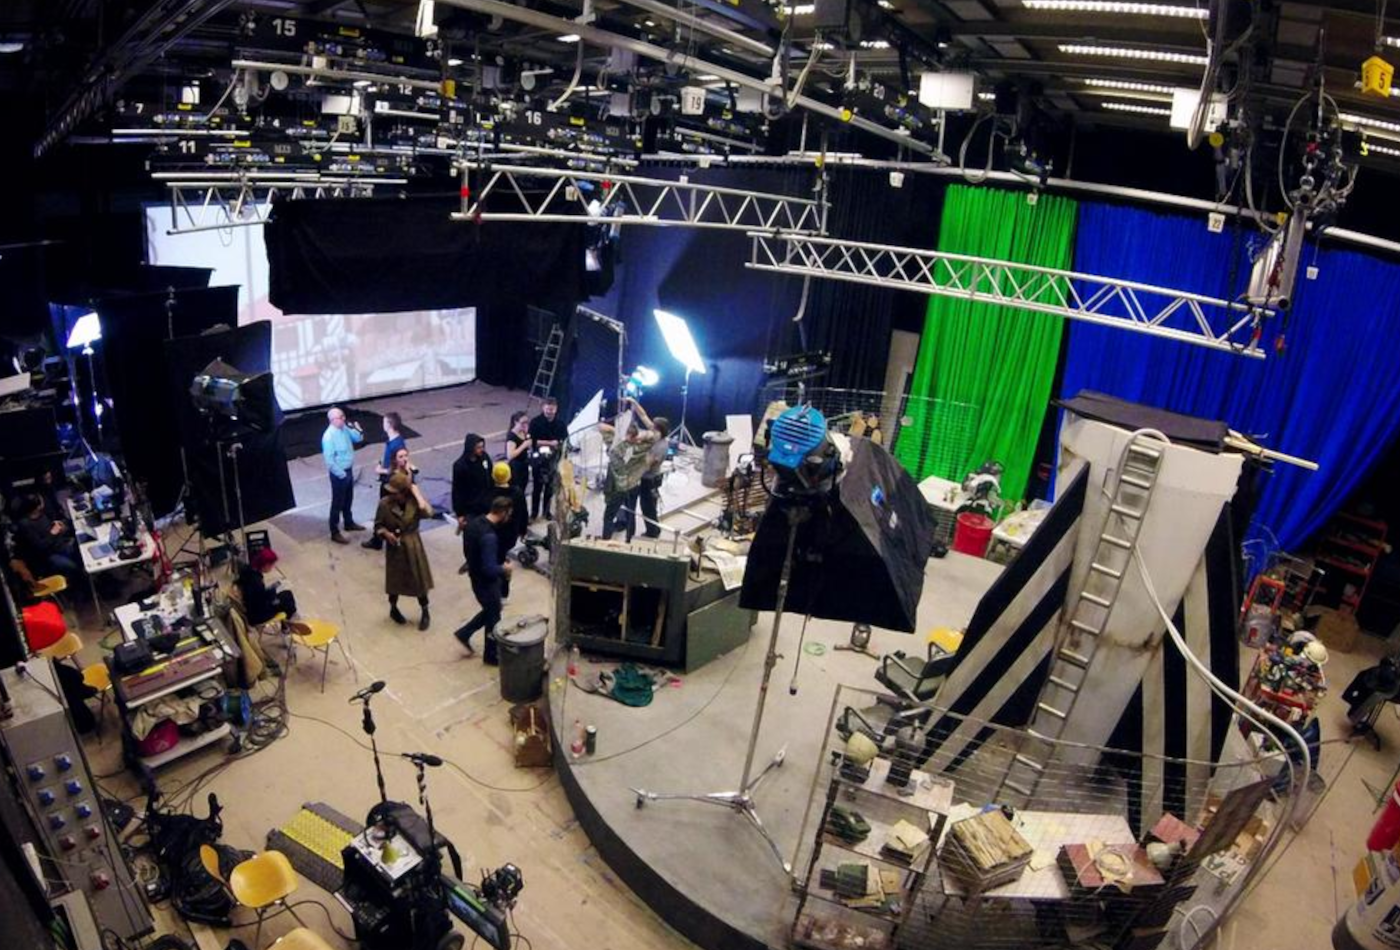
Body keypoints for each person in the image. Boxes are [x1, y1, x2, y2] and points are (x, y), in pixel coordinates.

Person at [455, 496, 514, 664]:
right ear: (503, 512)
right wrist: (505, 568)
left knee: (491, 609)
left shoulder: (474, 524)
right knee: (494, 617)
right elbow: (489, 568)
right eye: (508, 514)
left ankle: (464, 633)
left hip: (474, 575)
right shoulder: (489, 537)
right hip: (486, 582)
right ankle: (491, 655)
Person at [373, 471, 435, 630]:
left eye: (396, 492)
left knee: (419, 580)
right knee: (395, 581)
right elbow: (378, 526)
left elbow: (428, 513)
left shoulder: (414, 503)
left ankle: (425, 610)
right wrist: (386, 534)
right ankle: (393, 608)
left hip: (413, 544)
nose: (391, 494)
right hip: (396, 547)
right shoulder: (384, 504)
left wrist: (418, 494)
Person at [599, 399, 659, 543]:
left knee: (609, 515)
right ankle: (628, 541)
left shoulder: (614, 447)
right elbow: (652, 433)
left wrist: (617, 432)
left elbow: (601, 426)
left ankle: (605, 541)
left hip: (617, 487)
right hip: (633, 485)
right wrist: (638, 437)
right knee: (630, 514)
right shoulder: (641, 447)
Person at [322, 406, 366, 544]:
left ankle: (349, 522)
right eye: (341, 417)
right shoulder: (328, 437)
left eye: (344, 416)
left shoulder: (344, 429)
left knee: (348, 499)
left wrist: (357, 429)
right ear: (333, 420)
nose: (344, 419)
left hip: (349, 470)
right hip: (339, 474)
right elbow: (329, 462)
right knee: (337, 502)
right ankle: (334, 531)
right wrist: (342, 475)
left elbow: (358, 439)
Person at [362, 442, 418, 550]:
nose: (404, 459)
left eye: (406, 456)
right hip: (391, 503)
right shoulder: (392, 474)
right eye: (401, 457)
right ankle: (377, 540)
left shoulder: (408, 471)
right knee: (384, 520)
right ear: (395, 459)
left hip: (403, 505)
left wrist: (409, 472)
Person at [11, 493, 80, 578]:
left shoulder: (41, 514)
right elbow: (40, 546)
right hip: (47, 556)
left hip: (58, 545)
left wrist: (57, 526)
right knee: (73, 567)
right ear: (38, 506)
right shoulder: (25, 525)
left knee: (80, 550)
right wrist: (53, 533)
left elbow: (48, 529)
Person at [452, 433, 493, 571]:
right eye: (478, 447)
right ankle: (470, 560)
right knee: (470, 537)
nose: (481, 450)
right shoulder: (460, 466)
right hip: (470, 508)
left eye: (482, 447)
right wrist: (460, 513)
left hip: (486, 504)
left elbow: (491, 478)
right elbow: (457, 491)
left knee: (487, 534)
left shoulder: (485, 458)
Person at [527, 398, 568, 520]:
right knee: (537, 488)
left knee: (549, 489)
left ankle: (546, 511)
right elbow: (531, 441)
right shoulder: (535, 422)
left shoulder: (560, 424)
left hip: (553, 460)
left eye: (552, 409)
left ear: (556, 409)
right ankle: (534, 513)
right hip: (539, 460)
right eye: (548, 408)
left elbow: (564, 441)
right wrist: (550, 443)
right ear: (543, 408)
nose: (550, 411)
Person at [489, 461, 529, 587]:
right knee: (502, 558)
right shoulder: (517, 493)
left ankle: (496, 584)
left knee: (495, 558)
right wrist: (523, 530)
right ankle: (504, 590)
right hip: (510, 534)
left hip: (493, 533)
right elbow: (523, 512)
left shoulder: (489, 493)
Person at [236, 547, 296, 625]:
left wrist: (271, 590)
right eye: (271, 565)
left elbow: (257, 594)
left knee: (286, 594)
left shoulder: (248, 570)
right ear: (266, 565)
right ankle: (288, 624)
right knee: (288, 600)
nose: (272, 568)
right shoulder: (256, 580)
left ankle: (287, 622)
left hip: (252, 607)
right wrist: (273, 593)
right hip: (258, 614)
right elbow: (262, 601)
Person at [637, 415, 670, 539]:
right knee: (648, 505)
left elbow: (647, 465)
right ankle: (653, 529)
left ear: (660, 431)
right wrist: (633, 402)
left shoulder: (660, 447)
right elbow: (644, 416)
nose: (651, 432)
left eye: (654, 430)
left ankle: (653, 531)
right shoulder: (657, 438)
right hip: (650, 478)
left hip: (649, 480)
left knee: (648, 507)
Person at [504, 411, 532, 490]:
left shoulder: (524, 432)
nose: (525, 425)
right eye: (523, 423)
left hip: (524, 465)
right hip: (516, 467)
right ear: (515, 422)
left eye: (527, 422)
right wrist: (524, 445)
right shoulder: (512, 436)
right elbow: (510, 455)